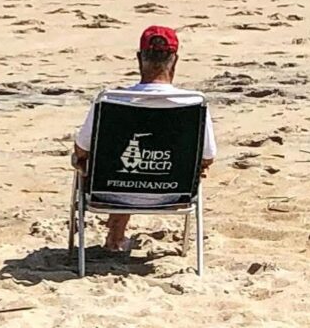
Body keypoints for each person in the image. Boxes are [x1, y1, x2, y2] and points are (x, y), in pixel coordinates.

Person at [72, 25, 217, 252]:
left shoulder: (111, 101)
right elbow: (208, 157)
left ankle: (116, 235)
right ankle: (117, 235)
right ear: (175, 61)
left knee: (109, 158)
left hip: (111, 192)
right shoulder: (193, 104)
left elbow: (82, 150)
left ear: (139, 59)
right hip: (174, 194)